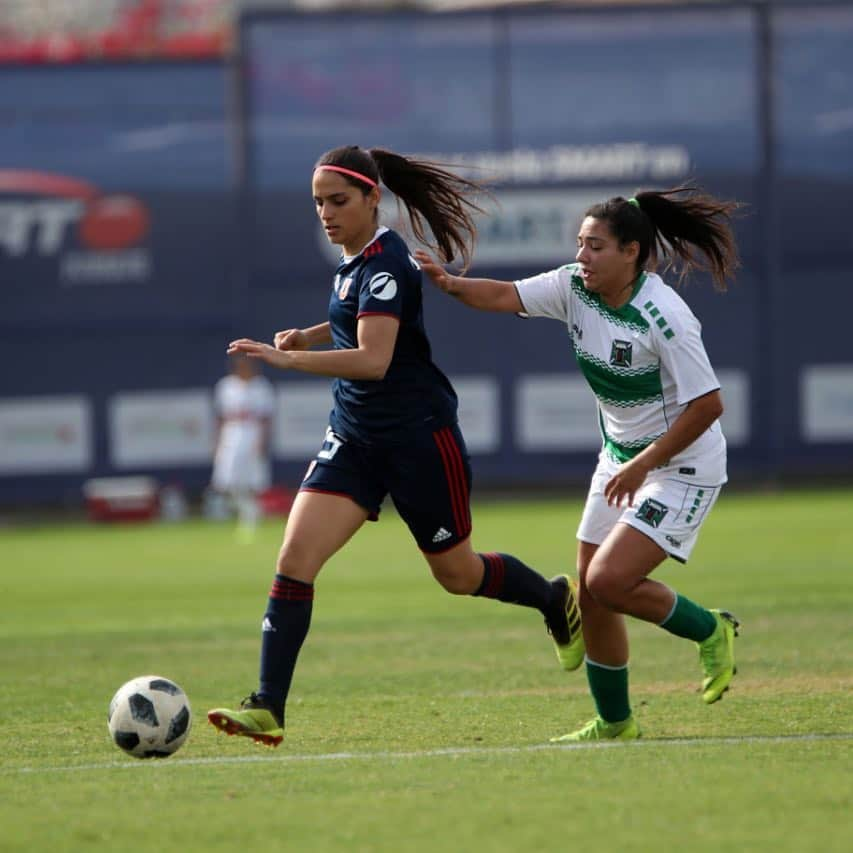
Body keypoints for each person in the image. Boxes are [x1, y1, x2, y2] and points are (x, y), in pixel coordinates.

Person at [207, 145, 584, 747]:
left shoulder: (387, 263)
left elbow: (374, 359)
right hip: (355, 437)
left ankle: (553, 597)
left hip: (417, 441)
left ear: (370, 198)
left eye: (338, 201)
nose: (326, 214)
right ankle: (268, 706)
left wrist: (288, 357)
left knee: (458, 575)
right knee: (294, 560)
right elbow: (355, 320)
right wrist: (305, 332)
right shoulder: (354, 262)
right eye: (317, 203)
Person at [415, 185, 741, 742]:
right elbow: (502, 294)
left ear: (631, 252)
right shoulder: (573, 287)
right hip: (619, 461)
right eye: (580, 243)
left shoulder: (664, 315)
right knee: (590, 595)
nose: (582, 256)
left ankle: (712, 630)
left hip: (680, 465)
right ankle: (615, 722)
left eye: (596, 246)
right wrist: (450, 284)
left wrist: (643, 466)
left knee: (610, 580)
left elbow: (709, 404)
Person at [210, 353, 275, 542]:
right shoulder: (225, 386)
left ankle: (250, 520)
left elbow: (266, 418)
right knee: (226, 481)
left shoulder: (262, 386)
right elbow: (221, 417)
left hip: (252, 432)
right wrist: (217, 442)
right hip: (231, 433)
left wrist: (262, 442)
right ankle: (249, 511)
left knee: (252, 480)